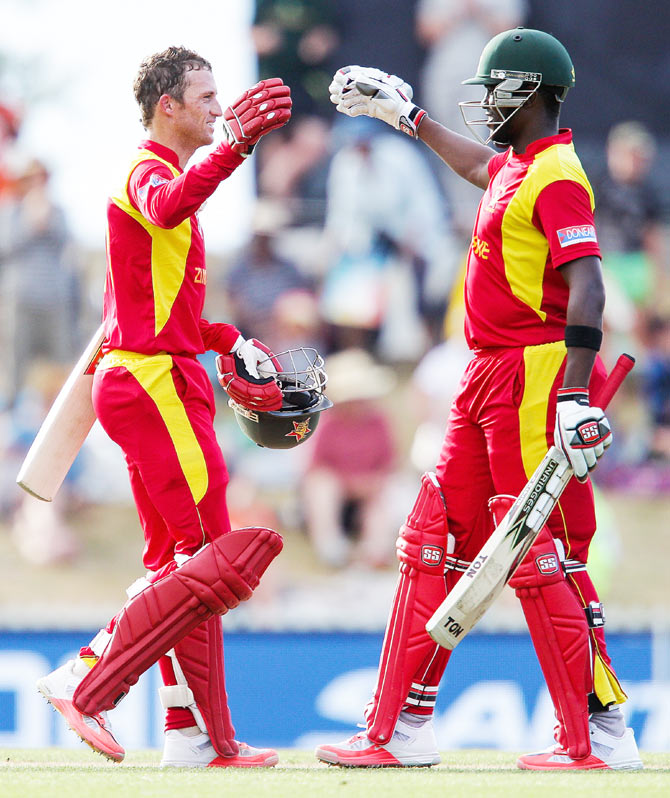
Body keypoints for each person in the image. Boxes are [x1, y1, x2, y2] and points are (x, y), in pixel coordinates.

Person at [317, 29, 643, 771]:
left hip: (532, 370)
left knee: (532, 549)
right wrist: (408, 118)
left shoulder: (558, 172)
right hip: (485, 370)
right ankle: (401, 726)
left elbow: (588, 283)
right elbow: (481, 170)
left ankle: (595, 733)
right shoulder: (520, 166)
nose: (486, 103)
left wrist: (570, 393)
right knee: (431, 535)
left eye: (496, 90)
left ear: (532, 92)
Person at [35, 46, 293, 768]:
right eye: (205, 97)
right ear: (166, 107)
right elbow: (168, 207)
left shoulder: (172, 179)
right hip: (152, 384)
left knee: (184, 569)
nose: (220, 108)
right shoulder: (151, 172)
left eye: (221, 98)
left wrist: (227, 338)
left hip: (155, 372)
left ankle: (193, 735)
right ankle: (86, 676)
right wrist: (238, 146)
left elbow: (156, 314)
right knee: (213, 562)